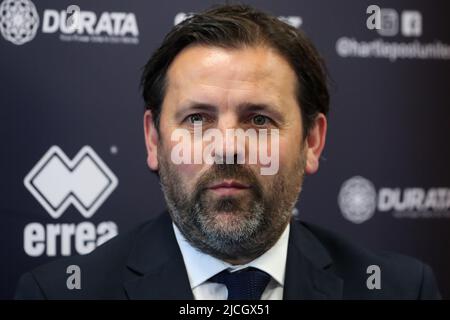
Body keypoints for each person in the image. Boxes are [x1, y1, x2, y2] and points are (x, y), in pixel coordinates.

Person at [15, 4, 441, 300]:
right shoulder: (59, 292)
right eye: (197, 119)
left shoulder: (399, 288)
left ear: (312, 141)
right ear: (153, 139)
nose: (229, 148)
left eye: (259, 120)